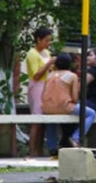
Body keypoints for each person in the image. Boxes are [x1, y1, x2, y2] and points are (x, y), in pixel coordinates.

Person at [42, 53, 96, 149]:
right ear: (69, 64)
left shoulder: (49, 75)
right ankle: (76, 137)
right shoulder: (72, 76)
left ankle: (52, 147)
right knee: (91, 114)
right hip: (64, 106)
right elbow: (75, 98)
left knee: (50, 121)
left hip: (47, 107)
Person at [26, 26, 56, 156]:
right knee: (36, 119)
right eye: (46, 41)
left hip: (46, 85)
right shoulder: (32, 54)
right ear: (38, 40)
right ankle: (32, 151)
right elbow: (36, 75)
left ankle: (40, 150)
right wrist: (49, 64)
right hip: (37, 86)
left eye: (49, 41)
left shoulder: (46, 53)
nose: (48, 44)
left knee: (44, 119)